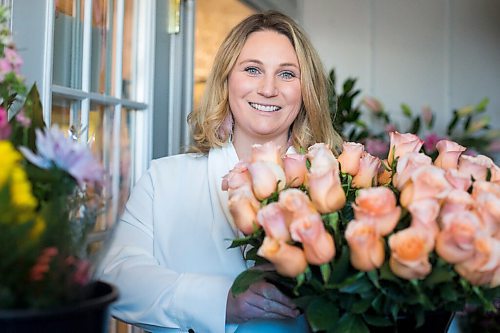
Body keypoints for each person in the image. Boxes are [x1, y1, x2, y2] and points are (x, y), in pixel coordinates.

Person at [98, 10, 342, 333]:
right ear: (226, 80)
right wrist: (223, 301)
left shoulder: (338, 186)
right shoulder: (163, 181)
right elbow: (115, 278)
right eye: (252, 69)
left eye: (286, 74)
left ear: (305, 89)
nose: (268, 89)